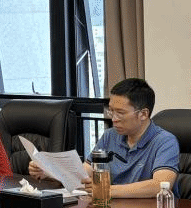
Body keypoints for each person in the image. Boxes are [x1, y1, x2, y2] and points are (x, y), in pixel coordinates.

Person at [30, 77, 179, 198]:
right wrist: (49, 172)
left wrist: (106, 190)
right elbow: (84, 173)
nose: (113, 119)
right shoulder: (110, 136)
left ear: (143, 114)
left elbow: (160, 185)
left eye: (120, 113)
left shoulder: (165, 141)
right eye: (111, 111)